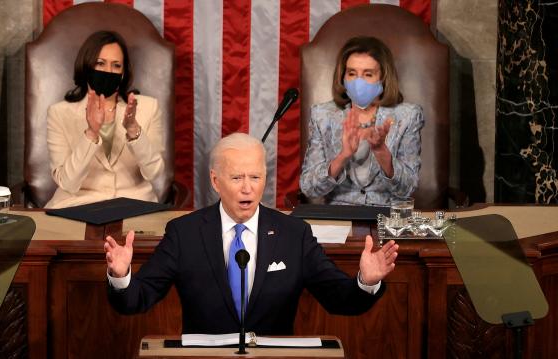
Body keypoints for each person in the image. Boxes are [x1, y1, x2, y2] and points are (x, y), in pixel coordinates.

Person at [104, 132, 398, 335]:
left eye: (255, 177)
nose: (248, 188)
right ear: (216, 181)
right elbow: (136, 300)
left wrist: (365, 282)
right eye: (237, 178)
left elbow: (340, 299)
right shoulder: (185, 233)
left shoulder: (293, 234)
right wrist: (121, 276)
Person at [45, 31, 165, 209]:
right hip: (77, 206)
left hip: (133, 206)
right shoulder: (59, 113)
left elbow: (154, 172)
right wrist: (91, 133)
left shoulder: (149, 107)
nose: (108, 71)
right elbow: (68, 183)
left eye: (116, 66)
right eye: (100, 63)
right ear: (86, 66)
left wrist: (133, 130)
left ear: (123, 73)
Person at [300, 36, 424, 206]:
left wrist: (382, 154)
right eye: (352, 73)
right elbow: (309, 188)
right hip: (339, 218)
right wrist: (342, 156)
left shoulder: (407, 116)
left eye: (368, 74)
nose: (358, 82)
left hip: (387, 218)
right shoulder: (323, 116)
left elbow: (408, 188)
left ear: (383, 78)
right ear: (343, 77)